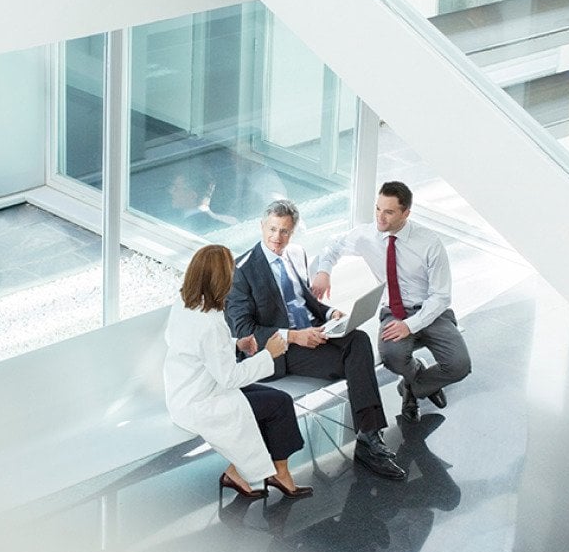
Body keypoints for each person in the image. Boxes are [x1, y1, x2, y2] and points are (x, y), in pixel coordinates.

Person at [225, 199, 406, 480]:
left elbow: (304, 301)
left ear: (293, 232)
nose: (277, 237)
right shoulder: (241, 271)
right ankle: (369, 440)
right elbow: (243, 330)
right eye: (272, 229)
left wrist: (330, 312)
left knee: (357, 339)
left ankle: (369, 435)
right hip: (279, 350)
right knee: (355, 357)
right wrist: (296, 336)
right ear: (261, 227)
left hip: (314, 332)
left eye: (284, 231)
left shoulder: (296, 254)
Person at [312, 181, 471, 422]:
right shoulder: (368, 235)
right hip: (394, 312)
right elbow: (333, 246)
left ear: (406, 213)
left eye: (388, 212)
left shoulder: (429, 243)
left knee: (460, 365)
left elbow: (441, 296)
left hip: (430, 311)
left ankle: (411, 387)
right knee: (392, 356)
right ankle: (419, 377)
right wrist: (324, 271)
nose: (380, 217)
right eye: (378, 209)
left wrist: (410, 325)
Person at [163, 244, 313, 500]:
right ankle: (279, 473)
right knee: (280, 403)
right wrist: (270, 354)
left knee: (268, 401)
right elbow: (230, 377)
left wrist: (236, 344)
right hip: (201, 402)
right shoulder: (210, 323)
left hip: (189, 391)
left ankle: (237, 472)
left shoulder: (187, 303)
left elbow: (200, 350)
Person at [168, 169, 237, 234]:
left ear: (192, 196)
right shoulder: (230, 221)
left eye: (176, 188)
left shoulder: (187, 229)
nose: (171, 192)